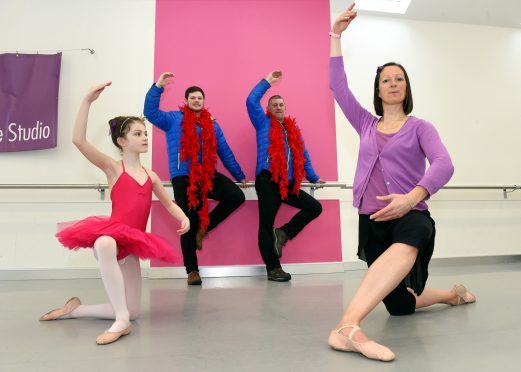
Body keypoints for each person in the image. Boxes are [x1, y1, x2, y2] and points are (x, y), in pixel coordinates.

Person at [326, 4, 476, 361]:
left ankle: (347, 326)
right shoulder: (364, 123)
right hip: (373, 220)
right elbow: (337, 86)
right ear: (378, 90)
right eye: (385, 80)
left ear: (406, 87)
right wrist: (336, 35)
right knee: (399, 306)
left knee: (414, 233)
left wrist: (413, 197)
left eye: (399, 79)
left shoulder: (421, 127)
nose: (393, 84)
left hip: (410, 216)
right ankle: (452, 294)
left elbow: (444, 163)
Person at [39, 82, 190, 345]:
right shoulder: (113, 168)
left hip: (132, 244)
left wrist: (183, 217)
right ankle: (120, 322)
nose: (145, 137)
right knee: (104, 242)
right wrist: (87, 100)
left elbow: (168, 203)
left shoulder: (151, 176)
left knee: (134, 312)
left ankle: (77, 310)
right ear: (122, 141)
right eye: (137, 134)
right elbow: (78, 140)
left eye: (145, 133)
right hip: (112, 236)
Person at [144, 72, 246, 285]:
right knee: (187, 221)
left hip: (207, 175)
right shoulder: (173, 119)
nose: (196, 100)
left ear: (204, 101)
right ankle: (192, 271)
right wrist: (158, 87)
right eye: (193, 98)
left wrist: (239, 175)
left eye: (199, 98)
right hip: (183, 176)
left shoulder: (212, 123)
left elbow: (224, 151)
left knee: (236, 196)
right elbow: (150, 112)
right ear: (186, 100)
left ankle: (204, 228)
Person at [246, 72, 324, 282]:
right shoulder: (262, 123)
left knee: (314, 207)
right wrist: (267, 82)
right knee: (265, 223)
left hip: (287, 183)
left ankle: (282, 234)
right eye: (274, 105)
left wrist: (314, 177)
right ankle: (273, 269)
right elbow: (250, 100)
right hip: (268, 179)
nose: (278, 107)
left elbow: (303, 156)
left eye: (281, 104)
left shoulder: (292, 130)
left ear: (285, 107)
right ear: (268, 109)